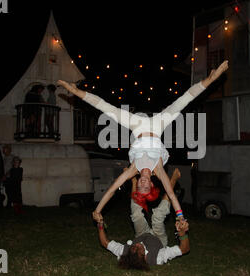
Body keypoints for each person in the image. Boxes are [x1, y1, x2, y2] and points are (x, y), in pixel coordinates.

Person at [58, 60, 229, 221]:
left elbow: (111, 190)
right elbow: (170, 194)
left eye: (140, 186)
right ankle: (211, 79)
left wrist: (97, 210)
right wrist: (181, 217)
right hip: (157, 127)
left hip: (138, 127)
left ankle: (76, 91)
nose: (142, 183)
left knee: (107, 109)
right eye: (146, 187)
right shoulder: (158, 170)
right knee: (183, 102)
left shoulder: (133, 170)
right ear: (151, 186)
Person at [94, 168, 189, 270]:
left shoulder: (126, 252)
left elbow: (105, 242)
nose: (138, 244)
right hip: (158, 238)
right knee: (157, 216)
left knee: (136, 215)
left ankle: (134, 181)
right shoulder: (156, 258)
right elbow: (184, 249)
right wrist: (182, 234)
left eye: (133, 247)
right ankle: (173, 180)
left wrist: (100, 223)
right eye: (139, 248)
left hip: (141, 233)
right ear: (144, 256)